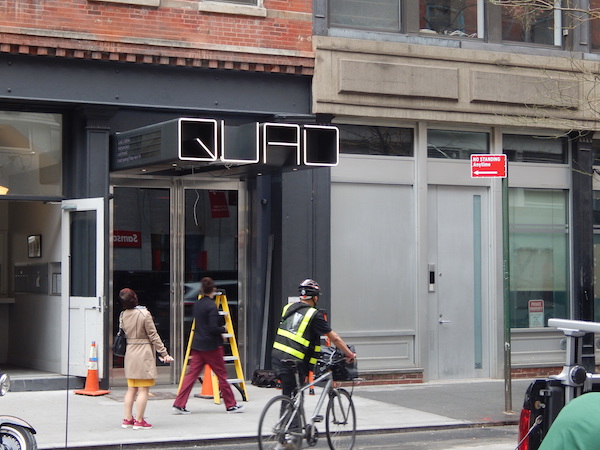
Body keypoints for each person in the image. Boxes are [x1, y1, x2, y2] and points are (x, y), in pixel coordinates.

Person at [272, 278, 356, 397]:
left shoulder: (288, 308)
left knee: (289, 396)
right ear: (315, 297)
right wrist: (349, 354)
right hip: (294, 361)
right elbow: (335, 338)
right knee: (294, 398)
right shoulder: (314, 315)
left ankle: (287, 413)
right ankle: (291, 415)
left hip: (277, 357)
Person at [172, 277, 244, 414]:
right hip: (211, 346)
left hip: (198, 344)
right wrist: (223, 329)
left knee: (191, 375)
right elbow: (212, 328)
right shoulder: (211, 306)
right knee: (222, 376)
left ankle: (179, 403)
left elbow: (202, 324)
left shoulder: (197, 304)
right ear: (213, 290)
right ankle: (231, 405)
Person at [118, 288, 174, 430]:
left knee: (131, 389)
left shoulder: (123, 315)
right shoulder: (144, 314)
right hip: (143, 353)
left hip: (130, 353)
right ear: (134, 298)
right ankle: (139, 420)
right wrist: (164, 353)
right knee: (143, 389)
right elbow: (153, 335)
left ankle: (127, 419)